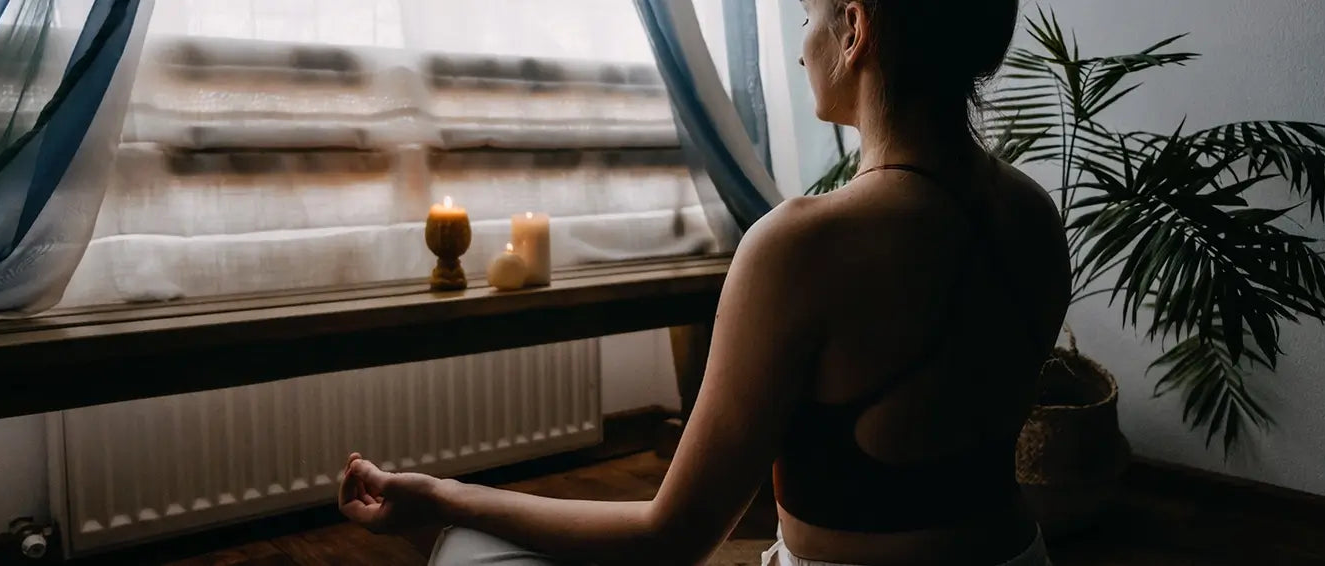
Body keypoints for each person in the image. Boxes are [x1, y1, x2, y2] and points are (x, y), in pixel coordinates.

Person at [338, 0, 1070, 563]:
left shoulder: (804, 244)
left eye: (809, 16)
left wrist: (443, 496)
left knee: (466, 549)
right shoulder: (1032, 214)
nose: (798, 47)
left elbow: (670, 537)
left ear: (854, 30)